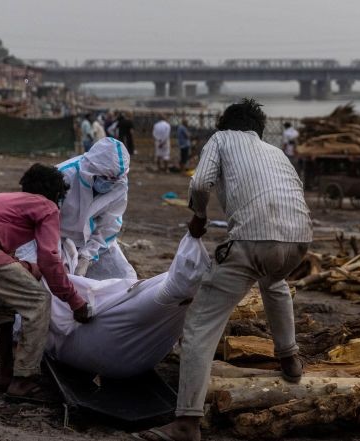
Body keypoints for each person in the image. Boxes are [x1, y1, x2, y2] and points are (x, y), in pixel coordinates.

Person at [158, 99, 313, 441]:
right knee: (273, 282)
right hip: (299, 240)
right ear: (259, 130)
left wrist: (199, 217)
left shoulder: (221, 139)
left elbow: (200, 183)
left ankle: (186, 423)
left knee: (200, 325)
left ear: (224, 125)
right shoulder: (276, 152)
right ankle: (289, 358)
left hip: (253, 239)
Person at [0, 164, 90, 400]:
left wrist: (28, 268)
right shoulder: (46, 206)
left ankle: (6, 374)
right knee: (38, 302)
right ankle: (23, 381)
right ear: (57, 194)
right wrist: (75, 302)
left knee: (4, 304)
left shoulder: (9, 201)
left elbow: (5, 254)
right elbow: (50, 258)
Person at [16, 233, 209, 378]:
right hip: (117, 351)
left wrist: (84, 261)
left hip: (109, 346)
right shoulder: (37, 242)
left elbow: (106, 229)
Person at [57, 137, 137, 280]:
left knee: (125, 278)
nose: (109, 182)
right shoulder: (63, 176)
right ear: (92, 169)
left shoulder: (119, 185)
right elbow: (44, 218)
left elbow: (109, 226)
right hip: (57, 238)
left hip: (93, 242)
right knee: (60, 280)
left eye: (114, 179)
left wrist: (87, 257)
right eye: (105, 177)